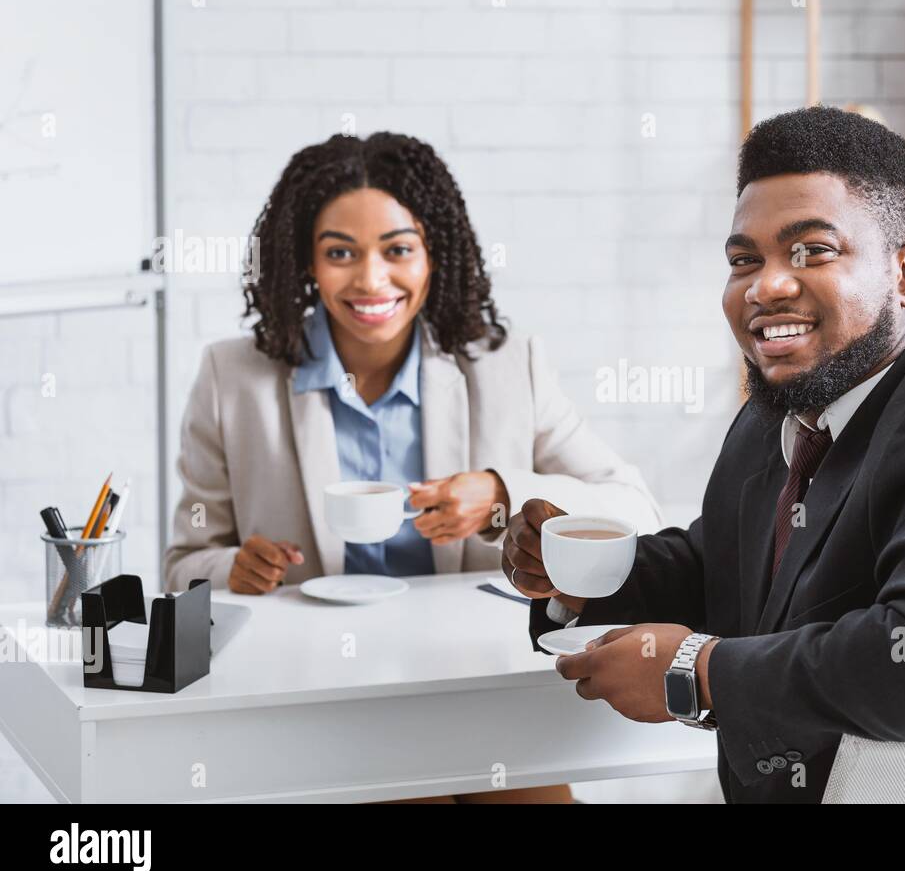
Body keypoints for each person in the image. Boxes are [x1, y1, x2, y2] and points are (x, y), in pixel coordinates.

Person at [502, 106, 905, 804]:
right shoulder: (786, 405)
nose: (765, 286)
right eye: (744, 261)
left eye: (812, 251)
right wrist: (582, 578)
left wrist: (695, 673)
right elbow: (731, 568)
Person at [164, 131, 662, 804]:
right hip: (322, 697)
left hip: (476, 687)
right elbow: (183, 563)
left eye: (398, 250)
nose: (371, 280)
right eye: (340, 253)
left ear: (434, 256)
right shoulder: (234, 379)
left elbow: (636, 509)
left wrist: (502, 493)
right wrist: (233, 568)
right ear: (306, 262)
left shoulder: (506, 365)